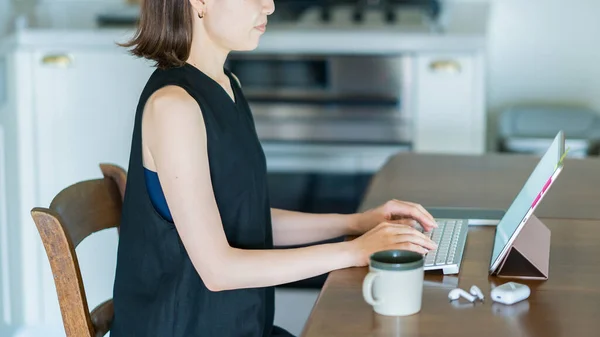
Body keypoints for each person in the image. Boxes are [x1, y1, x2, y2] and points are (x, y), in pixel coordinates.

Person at [110, 0, 438, 336]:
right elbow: (218, 270)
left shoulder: (226, 84)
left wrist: (356, 222)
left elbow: (245, 218)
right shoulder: (174, 107)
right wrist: (354, 250)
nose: (269, 5)